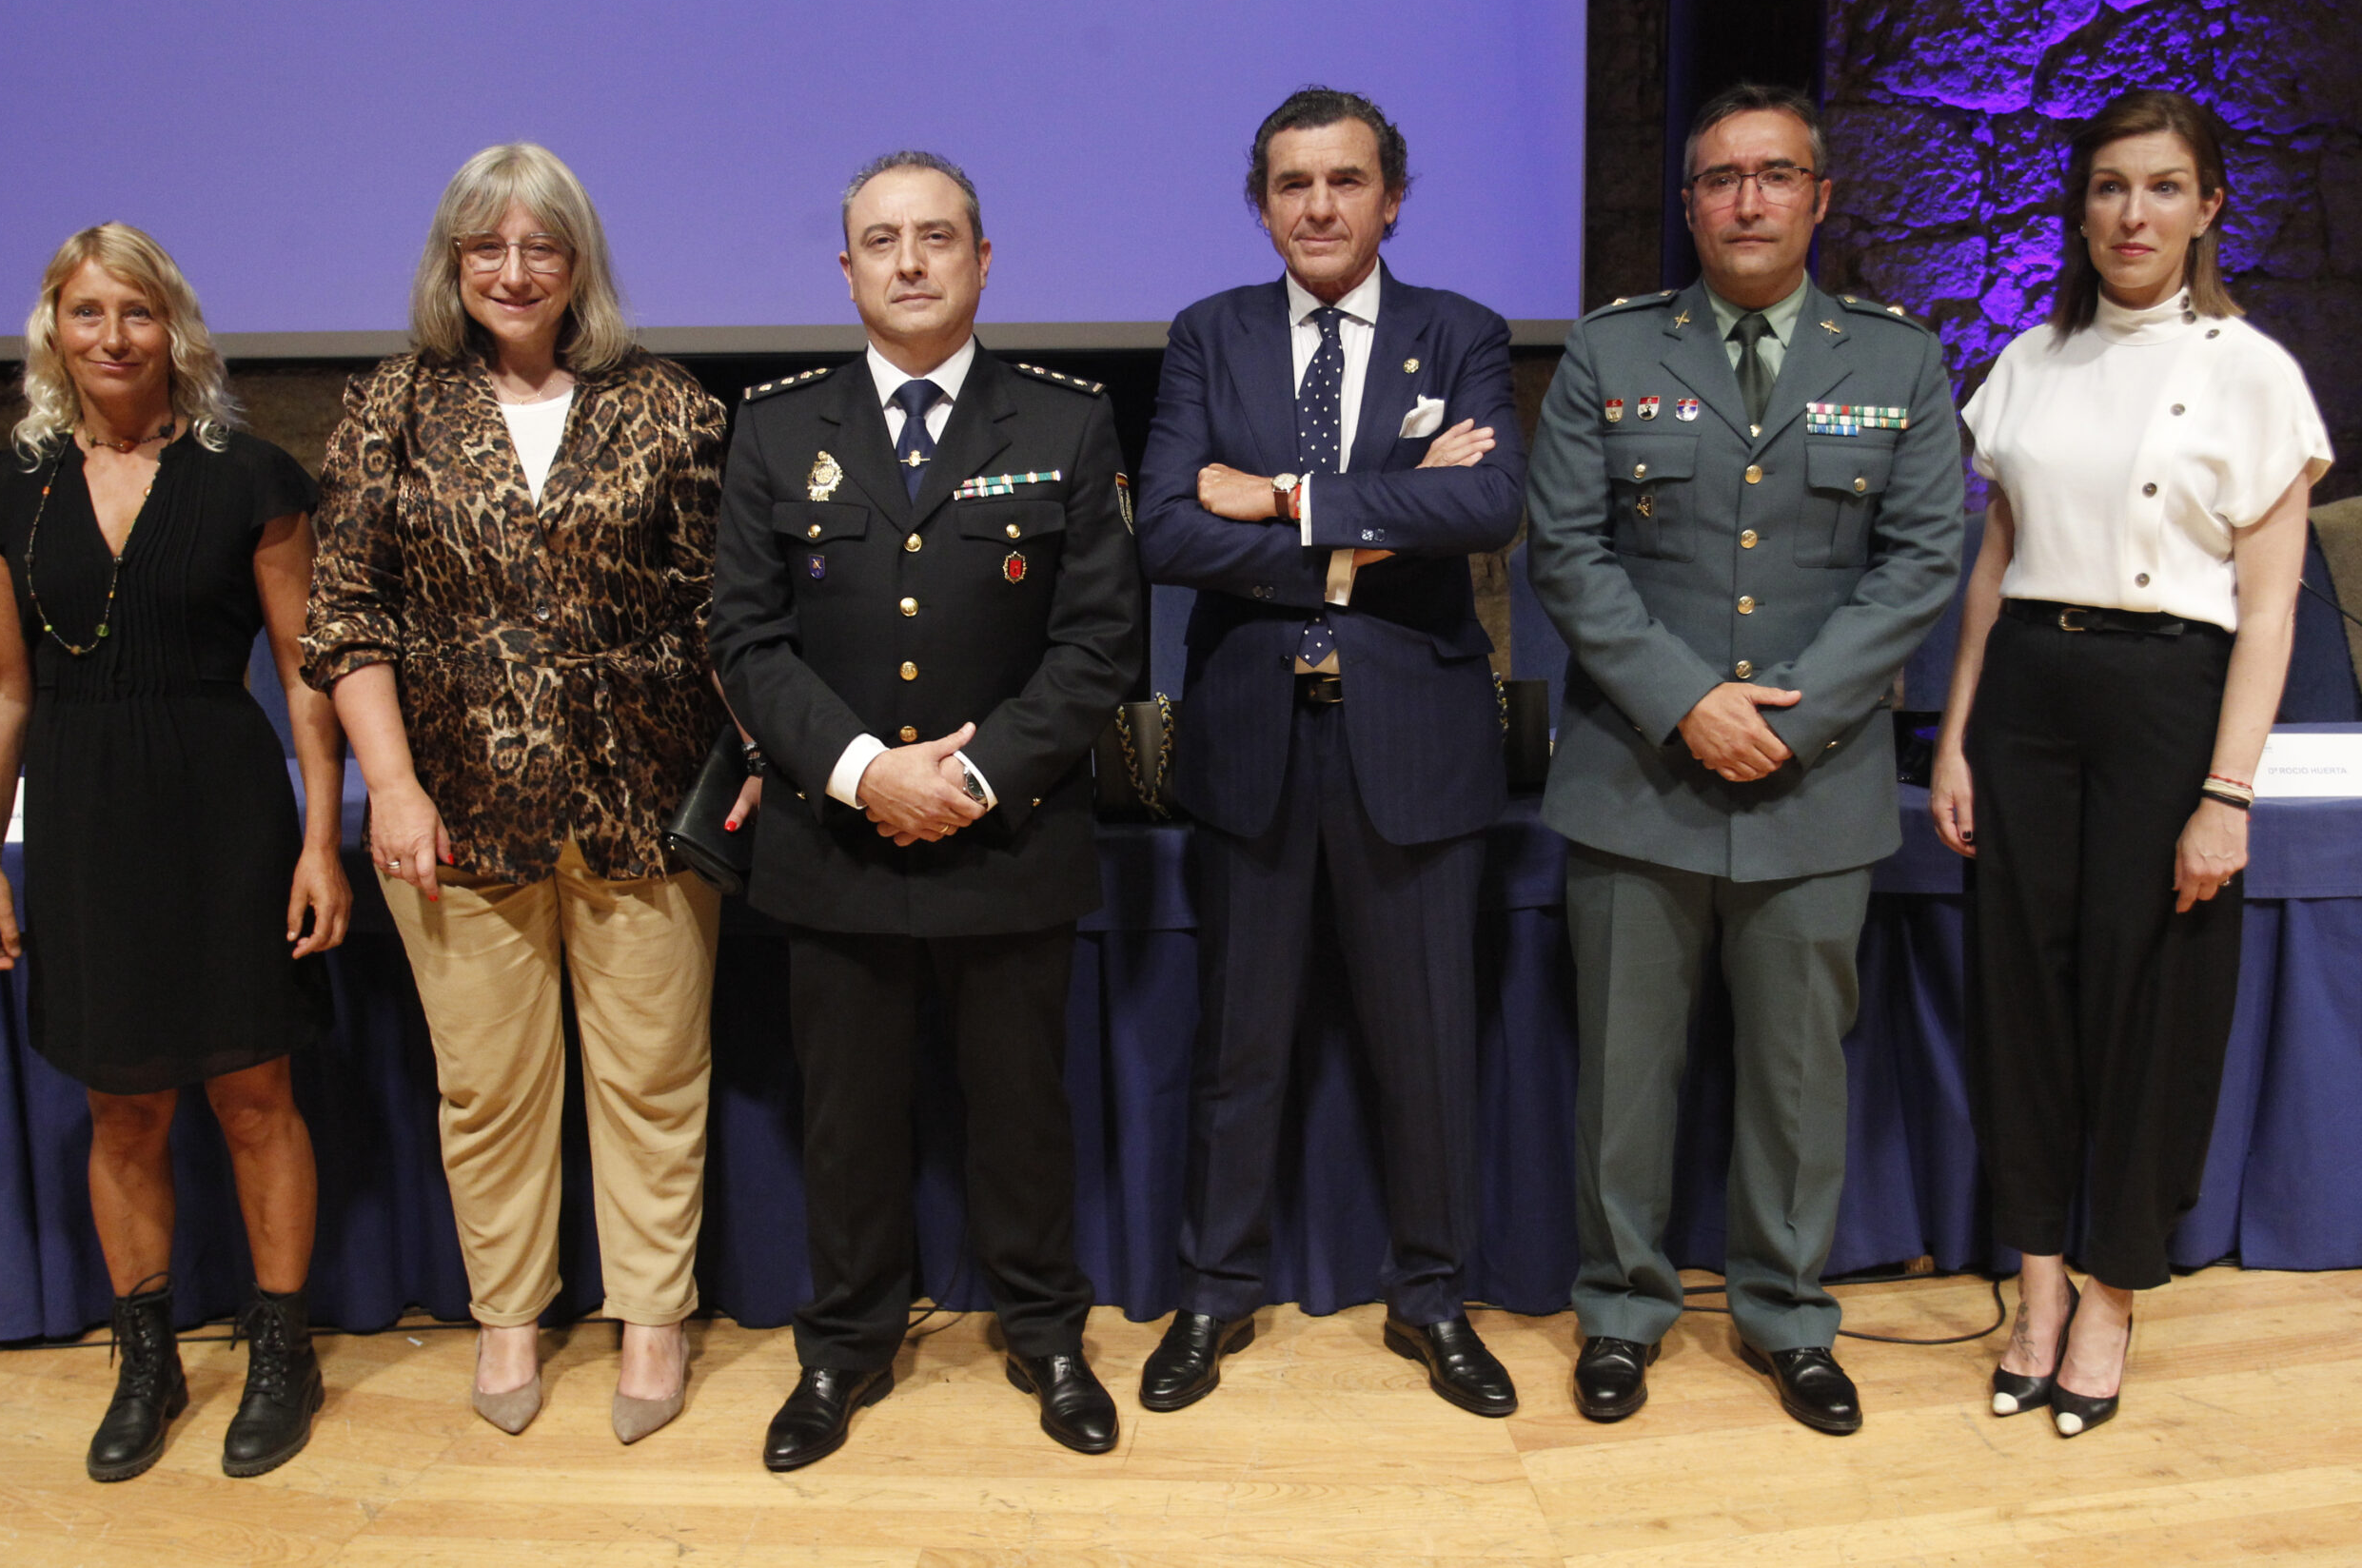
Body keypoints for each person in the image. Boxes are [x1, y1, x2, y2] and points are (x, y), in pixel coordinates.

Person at [1527, 84, 1964, 1434]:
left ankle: (1787, 1316)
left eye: (1776, 175)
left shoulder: (1897, 361)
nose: (1748, 199)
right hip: (1638, 780)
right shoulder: (1610, 349)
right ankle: (1620, 1309)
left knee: (1796, 1079)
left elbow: (1922, 562)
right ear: (1690, 203)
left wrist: (1786, 714)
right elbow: (1568, 553)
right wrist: (1687, 703)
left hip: (1813, 785)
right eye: (1721, 178)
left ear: (1819, 198)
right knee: (1623, 1079)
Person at [302, 143, 740, 1445]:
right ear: (452, 264)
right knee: (487, 1085)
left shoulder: (668, 404)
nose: (513, 270)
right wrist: (390, 785)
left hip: (644, 798)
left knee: (654, 1077)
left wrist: (759, 759)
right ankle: (507, 1315)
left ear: (577, 262)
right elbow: (346, 616)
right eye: (486, 247)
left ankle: (651, 1317)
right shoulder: (389, 405)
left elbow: (722, 610)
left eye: (540, 246)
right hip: (452, 804)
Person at [712, 150, 1144, 1470]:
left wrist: (970, 777)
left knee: (1023, 1113)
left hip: (1007, 838)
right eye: (881, 241)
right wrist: (864, 772)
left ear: (983, 260)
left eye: (937, 237)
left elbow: (1101, 642)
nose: (909, 262)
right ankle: (843, 1348)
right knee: (846, 1120)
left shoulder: (1066, 422)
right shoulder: (776, 428)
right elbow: (745, 638)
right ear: (844, 268)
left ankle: (1046, 1333)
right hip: (835, 842)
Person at [1930, 89, 2330, 1437]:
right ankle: (2038, 1286)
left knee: (2148, 1007)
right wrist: (1956, 736)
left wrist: (2228, 793)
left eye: (2163, 188)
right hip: (2028, 695)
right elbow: (1995, 567)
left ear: (2208, 207)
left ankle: (2113, 1295)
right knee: (2023, 999)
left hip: (2170, 698)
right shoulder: (2032, 359)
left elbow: (2268, 613)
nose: (2134, 215)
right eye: (2109, 187)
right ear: (2081, 207)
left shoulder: (2253, 371)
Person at [1132, 87, 1526, 1418]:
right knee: (1238, 1045)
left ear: (1391, 199)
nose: (1318, 206)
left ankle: (1434, 1301)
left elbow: (1487, 503)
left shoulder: (1461, 332)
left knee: (1426, 1045)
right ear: (1261, 206)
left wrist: (1283, 497)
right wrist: (1378, 523)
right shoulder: (1212, 334)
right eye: (1292, 184)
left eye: (1345, 181)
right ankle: (1211, 1293)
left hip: (1413, 740)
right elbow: (1167, 532)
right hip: (1251, 735)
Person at [0, 223, 350, 1481]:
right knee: (121, 1106)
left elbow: (306, 671)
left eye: (136, 312)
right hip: (82, 820)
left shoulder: (251, 476)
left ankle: (281, 1353)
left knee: (254, 1095)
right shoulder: (10, 485)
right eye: (88, 312)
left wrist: (320, 840)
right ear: (53, 330)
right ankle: (147, 1361)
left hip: (226, 812)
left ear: (173, 327)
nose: (114, 337)